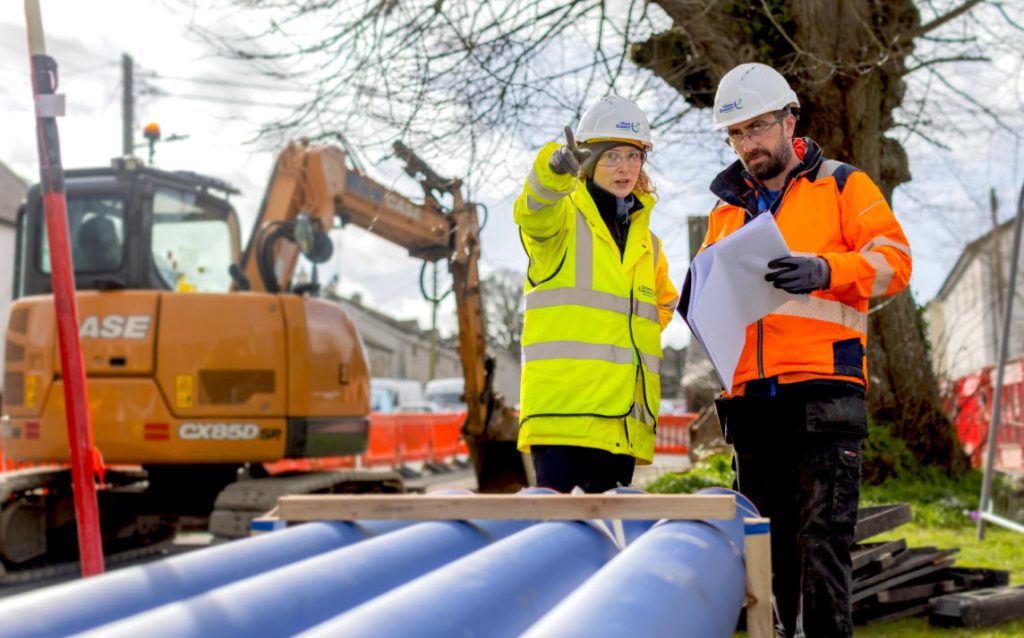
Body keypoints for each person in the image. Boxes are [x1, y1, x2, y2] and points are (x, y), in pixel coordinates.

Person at [698, 63, 912, 637]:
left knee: (821, 546)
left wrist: (825, 269)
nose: (748, 144)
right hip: (751, 404)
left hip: (823, 394)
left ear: (790, 121)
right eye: (736, 134)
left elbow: (896, 262)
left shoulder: (843, 185)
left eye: (758, 127)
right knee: (764, 553)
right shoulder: (724, 211)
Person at [513, 95, 678, 493]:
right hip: (563, 421)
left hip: (621, 427)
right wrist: (553, 169)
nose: (625, 167)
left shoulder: (649, 243)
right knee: (561, 531)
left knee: (609, 531)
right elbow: (533, 210)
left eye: (634, 156)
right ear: (587, 162)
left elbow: (661, 307)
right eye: (612, 156)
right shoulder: (562, 221)